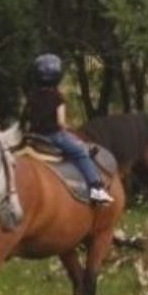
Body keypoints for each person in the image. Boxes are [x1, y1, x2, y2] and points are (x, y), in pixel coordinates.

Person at [21, 53, 114, 205]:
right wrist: (69, 127)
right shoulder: (58, 97)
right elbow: (61, 122)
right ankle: (96, 190)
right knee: (81, 154)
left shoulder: (32, 96)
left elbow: (25, 118)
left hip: (34, 137)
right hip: (54, 136)